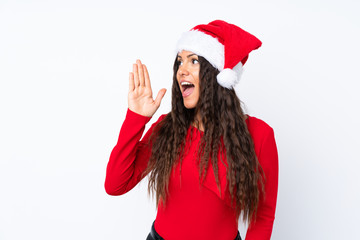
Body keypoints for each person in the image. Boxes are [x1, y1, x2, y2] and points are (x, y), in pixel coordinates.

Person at [105, 20, 279, 240]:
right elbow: (115, 184)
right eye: (179, 62)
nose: (181, 71)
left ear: (218, 73)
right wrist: (136, 118)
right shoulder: (167, 128)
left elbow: (263, 216)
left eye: (193, 61)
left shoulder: (259, 135)